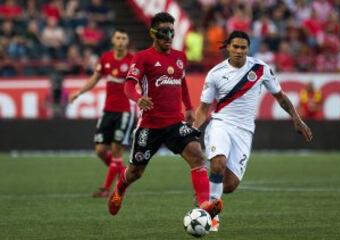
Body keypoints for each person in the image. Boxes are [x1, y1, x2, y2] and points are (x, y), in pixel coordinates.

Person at [193, 31, 313, 231]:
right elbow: (204, 108)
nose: (239, 51)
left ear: (248, 49)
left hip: (244, 131)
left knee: (229, 185)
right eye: (235, 47)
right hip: (221, 124)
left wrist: (297, 120)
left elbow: (281, 97)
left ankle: (204, 194)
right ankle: (210, 216)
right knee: (218, 163)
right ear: (228, 47)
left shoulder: (260, 69)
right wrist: (193, 129)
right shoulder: (215, 73)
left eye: (243, 47)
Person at [107, 12, 222, 219]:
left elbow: (182, 83)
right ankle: (121, 188)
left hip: (174, 122)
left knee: (197, 154)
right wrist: (138, 98)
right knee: (135, 172)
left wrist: (188, 107)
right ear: (153, 33)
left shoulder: (180, 57)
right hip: (149, 126)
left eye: (171, 31)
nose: (169, 36)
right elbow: (129, 85)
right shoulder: (142, 58)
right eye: (164, 32)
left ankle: (204, 203)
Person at [69, 28, 136, 197]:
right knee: (100, 150)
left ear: (127, 41)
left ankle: (106, 189)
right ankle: (124, 174)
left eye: (123, 38)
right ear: (113, 41)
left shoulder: (133, 60)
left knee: (116, 151)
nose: (120, 41)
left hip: (125, 112)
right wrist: (79, 92)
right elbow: (94, 79)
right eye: (118, 38)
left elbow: (141, 82)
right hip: (108, 111)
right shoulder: (106, 58)